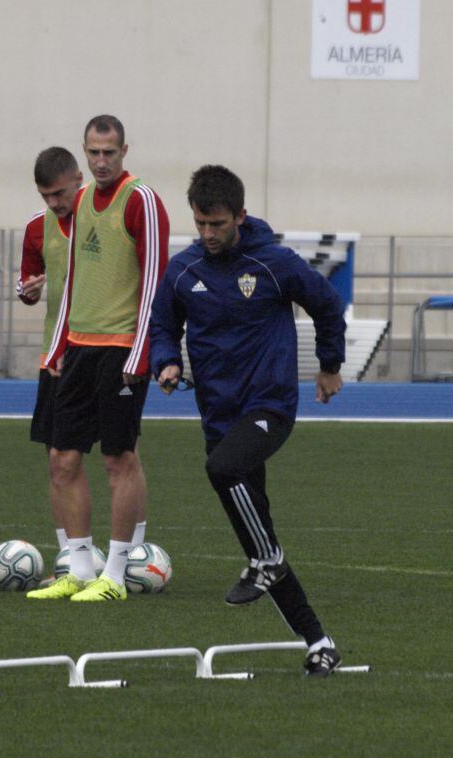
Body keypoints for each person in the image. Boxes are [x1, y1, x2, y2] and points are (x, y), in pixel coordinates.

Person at [149, 165, 346, 676]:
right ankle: (318, 642)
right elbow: (162, 325)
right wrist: (165, 361)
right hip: (218, 414)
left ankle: (267, 562)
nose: (208, 234)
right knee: (261, 533)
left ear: (239, 215)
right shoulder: (184, 270)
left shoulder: (274, 263)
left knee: (222, 470)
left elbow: (326, 305)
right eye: (200, 224)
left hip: (269, 408)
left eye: (217, 224)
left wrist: (329, 366)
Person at [28, 114, 169, 603]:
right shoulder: (82, 200)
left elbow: (155, 279)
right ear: (84, 153)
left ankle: (116, 573)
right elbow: (71, 282)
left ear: (125, 152)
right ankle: (80, 568)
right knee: (62, 459)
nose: (102, 160)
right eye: (94, 152)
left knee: (117, 459)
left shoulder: (142, 200)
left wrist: (142, 350)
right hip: (80, 350)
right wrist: (57, 347)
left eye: (110, 152)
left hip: (122, 349)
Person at [17, 146, 90, 561]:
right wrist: (28, 291)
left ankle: (134, 554)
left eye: (59, 193)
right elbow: (27, 286)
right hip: (55, 355)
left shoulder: (102, 219)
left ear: (78, 179)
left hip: (103, 349)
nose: (53, 203)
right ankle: (70, 555)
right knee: (57, 459)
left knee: (122, 455)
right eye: (45, 196)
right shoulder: (36, 229)